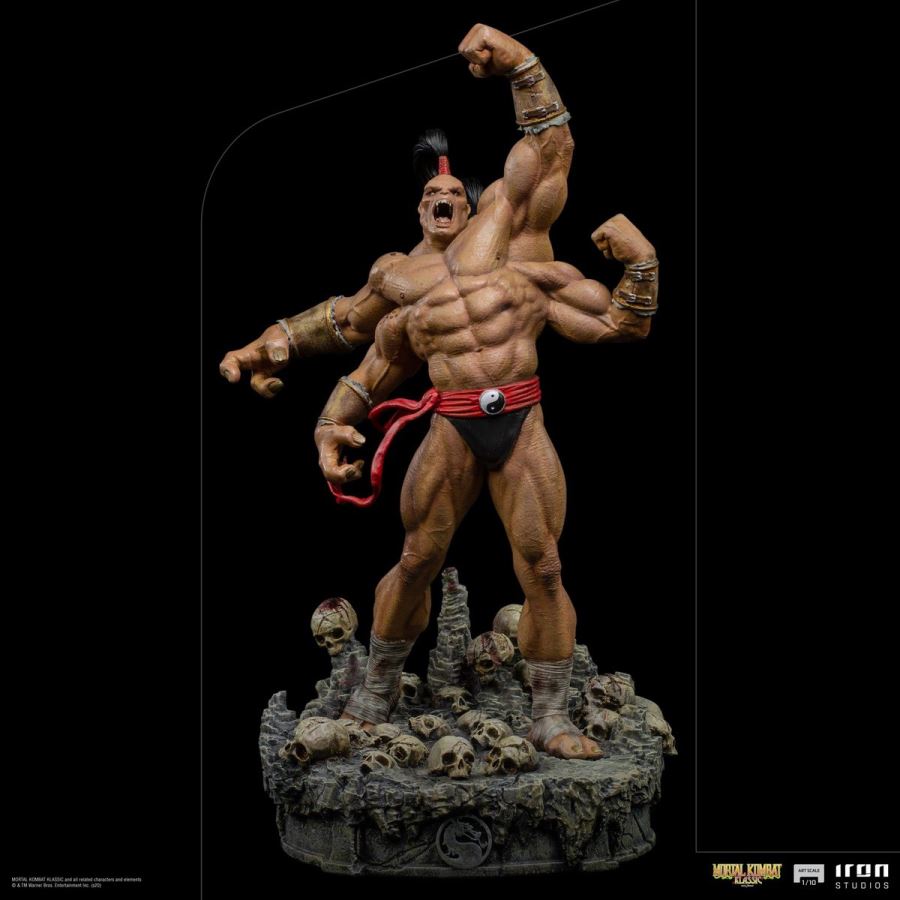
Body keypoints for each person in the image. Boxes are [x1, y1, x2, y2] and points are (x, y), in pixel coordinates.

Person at [221, 24, 659, 760]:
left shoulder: (513, 241)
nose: (444, 197)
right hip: (451, 428)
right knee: (417, 559)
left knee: (545, 565)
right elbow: (352, 340)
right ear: (419, 208)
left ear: (473, 202)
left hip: (520, 423)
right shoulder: (397, 281)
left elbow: (554, 155)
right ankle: (374, 693)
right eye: (432, 192)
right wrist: (306, 403)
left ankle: (551, 714)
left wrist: (522, 63)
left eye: (456, 191)